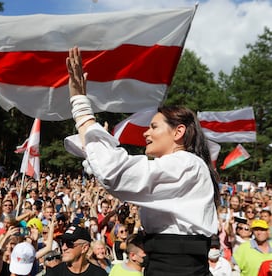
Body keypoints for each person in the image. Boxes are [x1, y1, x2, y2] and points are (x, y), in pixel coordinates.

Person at [65, 46, 219, 276]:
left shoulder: (188, 164)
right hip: (165, 264)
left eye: (154, 127)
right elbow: (112, 175)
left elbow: (115, 173)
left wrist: (81, 107)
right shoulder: (185, 165)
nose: (146, 134)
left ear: (178, 132)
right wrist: (96, 144)